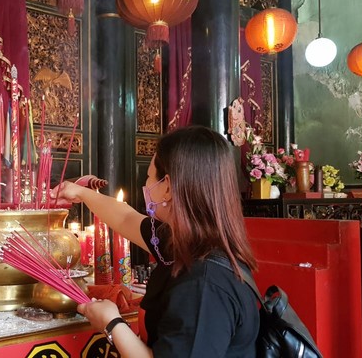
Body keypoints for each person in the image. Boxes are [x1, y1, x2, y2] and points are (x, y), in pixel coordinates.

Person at [51, 126, 259, 357]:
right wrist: (79, 193)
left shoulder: (204, 285)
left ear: (167, 187)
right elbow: (126, 218)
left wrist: (112, 323)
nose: (146, 186)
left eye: (149, 177)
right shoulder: (190, 242)